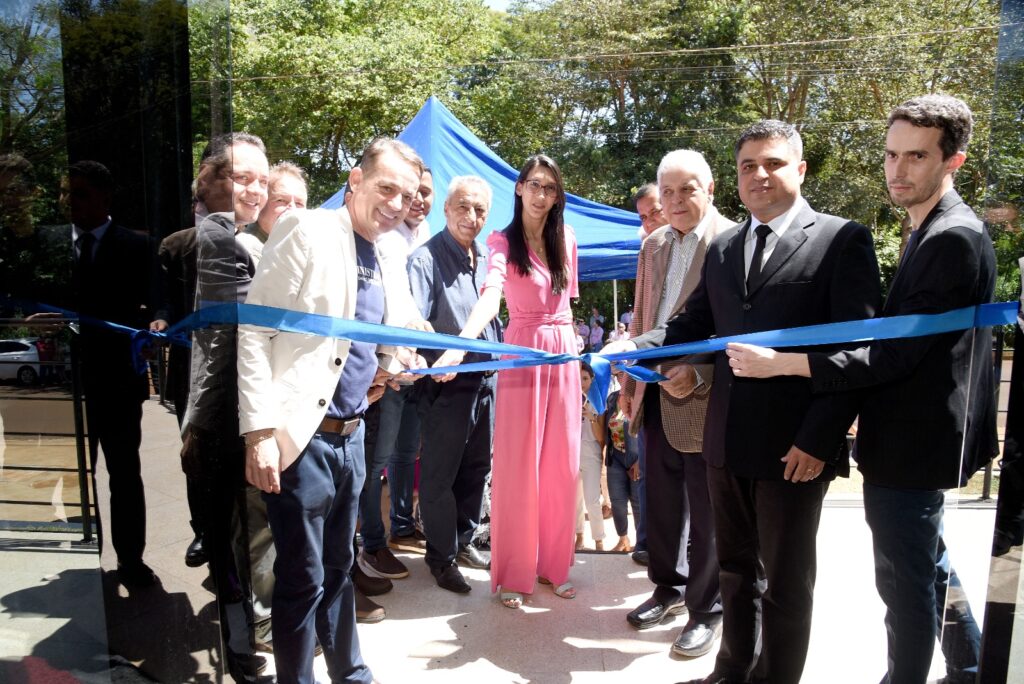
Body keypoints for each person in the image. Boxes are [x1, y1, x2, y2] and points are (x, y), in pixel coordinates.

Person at [725, 95, 996, 684]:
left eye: (917, 156)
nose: (898, 169)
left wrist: (785, 365)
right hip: (909, 442)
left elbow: (895, 354)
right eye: (892, 154)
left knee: (905, 585)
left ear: (954, 161)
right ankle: (969, 665)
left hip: (913, 446)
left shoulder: (952, 237)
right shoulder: (927, 229)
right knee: (930, 565)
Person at [605, 120, 882, 684]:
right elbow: (691, 324)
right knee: (734, 572)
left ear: (799, 169)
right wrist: (633, 346)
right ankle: (730, 671)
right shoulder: (726, 248)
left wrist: (818, 440)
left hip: (794, 451)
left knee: (785, 583)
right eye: (747, 165)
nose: (759, 175)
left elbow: (857, 353)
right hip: (725, 441)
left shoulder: (841, 241)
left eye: (772, 163)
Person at [238, 137, 428, 684]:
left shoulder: (389, 253)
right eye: (386, 188)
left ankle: (351, 672)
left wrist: (398, 363)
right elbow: (254, 331)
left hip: (354, 435)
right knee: (302, 579)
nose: (396, 204)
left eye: (406, 195)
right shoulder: (306, 229)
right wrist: (259, 434)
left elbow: (387, 337)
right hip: (301, 439)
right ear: (355, 179)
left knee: (341, 567)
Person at [432, 154, 581, 609]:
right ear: (519, 188)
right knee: (517, 468)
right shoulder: (501, 241)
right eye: (534, 184)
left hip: (563, 354)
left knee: (562, 465)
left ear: (557, 196)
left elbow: (566, 304)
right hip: (521, 354)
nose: (541, 194)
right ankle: (514, 573)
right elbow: (491, 297)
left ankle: (554, 566)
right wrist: (461, 344)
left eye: (550, 188)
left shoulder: (568, 239)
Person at [614, 149, 731, 659]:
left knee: (707, 512)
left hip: (703, 396)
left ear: (710, 188)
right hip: (652, 391)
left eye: (688, 189)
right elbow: (644, 317)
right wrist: (629, 381)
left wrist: (700, 375)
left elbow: (733, 331)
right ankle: (668, 589)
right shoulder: (653, 244)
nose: (676, 200)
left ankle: (707, 610)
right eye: (668, 191)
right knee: (660, 503)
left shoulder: (732, 242)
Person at [182, 132, 271, 680]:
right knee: (233, 542)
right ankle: (240, 653)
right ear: (210, 180)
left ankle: (239, 644)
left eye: (262, 180)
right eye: (243, 178)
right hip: (222, 418)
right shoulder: (218, 240)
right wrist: (198, 426)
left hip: (218, 414)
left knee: (231, 539)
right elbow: (227, 343)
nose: (256, 190)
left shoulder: (223, 235)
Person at [407, 175, 501, 593]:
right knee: (439, 476)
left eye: (480, 209)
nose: (471, 216)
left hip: (488, 381)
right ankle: (441, 557)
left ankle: (464, 541)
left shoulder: (486, 258)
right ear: (446, 208)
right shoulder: (425, 259)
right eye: (463, 206)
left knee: (477, 469)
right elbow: (414, 322)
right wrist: (437, 356)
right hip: (447, 385)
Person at [66, 160, 155, 589]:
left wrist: (156, 323)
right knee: (76, 477)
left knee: (123, 474)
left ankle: (131, 560)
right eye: (67, 193)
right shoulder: (52, 246)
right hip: (64, 385)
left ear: (104, 196)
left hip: (118, 382)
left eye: (81, 193)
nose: (71, 202)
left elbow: (158, 301)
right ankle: (86, 557)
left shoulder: (136, 246)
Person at [357, 167, 434, 586]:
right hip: (385, 372)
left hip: (416, 372)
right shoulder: (383, 237)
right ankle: (373, 542)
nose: (416, 200)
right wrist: (393, 357)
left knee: (407, 454)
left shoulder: (426, 238)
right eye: (408, 193)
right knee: (376, 463)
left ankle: (403, 525)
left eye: (424, 192)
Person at [237, 161, 308, 267]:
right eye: (281, 200)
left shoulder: (302, 250)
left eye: (299, 203)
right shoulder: (244, 251)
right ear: (262, 204)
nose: (292, 209)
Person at [604, 375, 642, 553]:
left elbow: (649, 430)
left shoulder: (641, 396)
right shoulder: (612, 398)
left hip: (637, 459)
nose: (621, 378)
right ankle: (623, 540)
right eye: (619, 375)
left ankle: (642, 543)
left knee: (637, 503)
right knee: (617, 502)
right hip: (616, 458)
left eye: (624, 374)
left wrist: (641, 460)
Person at [575, 363, 606, 551]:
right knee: (575, 500)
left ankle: (599, 539)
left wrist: (591, 417)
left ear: (592, 379)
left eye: (585, 378)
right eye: (578, 378)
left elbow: (601, 437)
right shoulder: (570, 398)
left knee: (592, 499)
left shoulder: (598, 400)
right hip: (571, 453)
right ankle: (579, 536)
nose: (581, 382)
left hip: (591, 453)